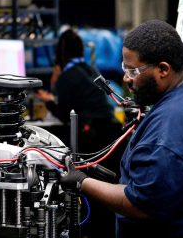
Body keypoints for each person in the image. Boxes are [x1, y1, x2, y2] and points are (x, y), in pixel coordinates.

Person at [59, 20, 183, 237]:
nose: (126, 79)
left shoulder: (170, 127)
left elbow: (140, 204)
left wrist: (81, 182)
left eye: (133, 71)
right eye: (125, 68)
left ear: (163, 69)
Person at [35, 28, 124, 237]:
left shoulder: (67, 76)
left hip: (90, 135)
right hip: (109, 132)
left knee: (85, 185)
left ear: (60, 53)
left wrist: (49, 100)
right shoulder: (90, 69)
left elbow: (65, 112)